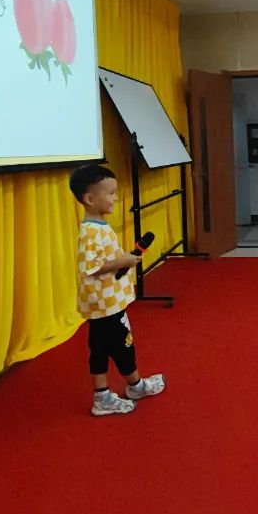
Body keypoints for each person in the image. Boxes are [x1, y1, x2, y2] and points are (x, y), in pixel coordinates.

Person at [69, 164, 165, 416]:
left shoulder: (99, 226)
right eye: (110, 193)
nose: (115, 198)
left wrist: (123, 260)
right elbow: (91, 266)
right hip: (106, 304)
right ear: (90, 199)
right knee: (123, 344)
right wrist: (123, 261)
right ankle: (135, 385)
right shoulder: (90, 232)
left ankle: (103, 395)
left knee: (100, 347)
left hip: (104, 302)